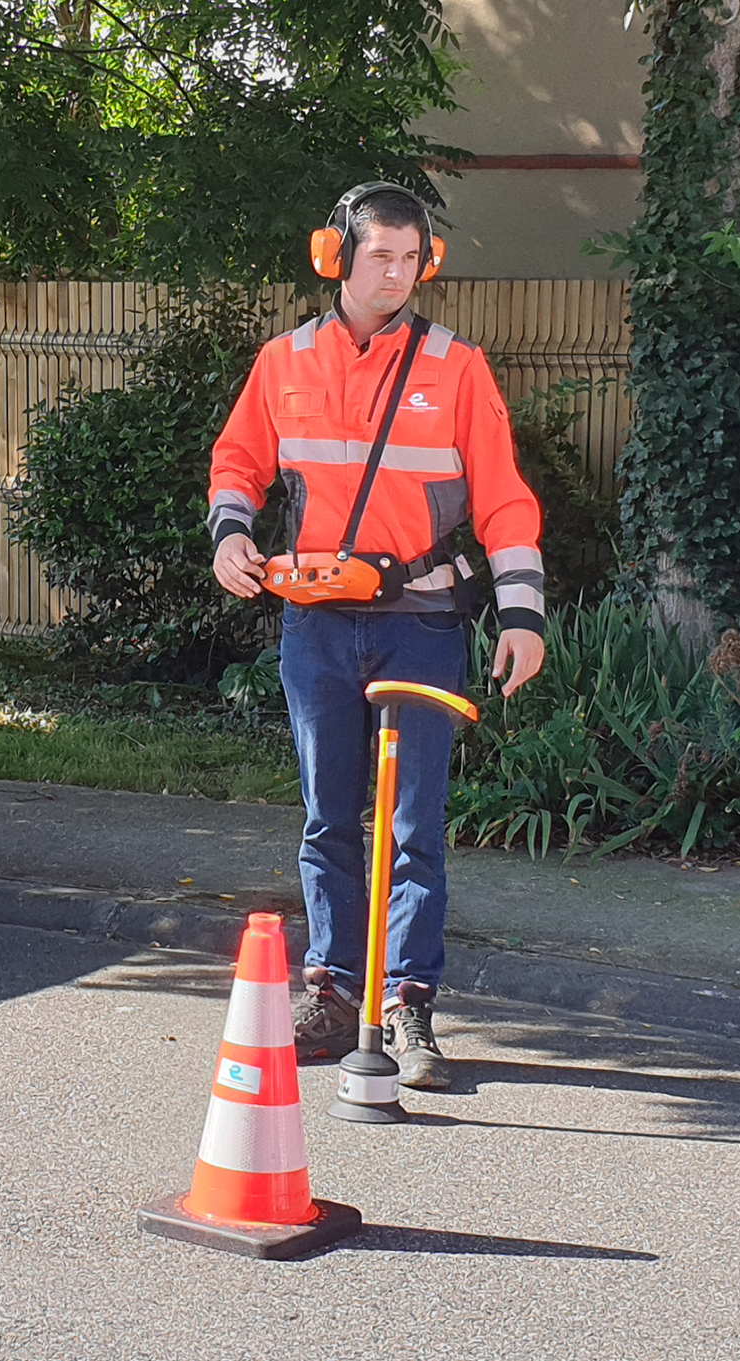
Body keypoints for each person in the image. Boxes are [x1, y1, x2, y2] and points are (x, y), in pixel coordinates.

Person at [208, 182, 545, 1089]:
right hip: (315, 625)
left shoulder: (455, 366)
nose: (396, 274)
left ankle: (407, 1004)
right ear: (336, 257)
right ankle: (329, 989)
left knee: (413, 825)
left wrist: (523, 613)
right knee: (327, 818)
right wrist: (230, 533)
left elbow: (506, 499)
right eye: (380, 255)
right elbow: (237, 461)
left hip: (423, 625)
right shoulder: (283, 362)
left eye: (412, 257)